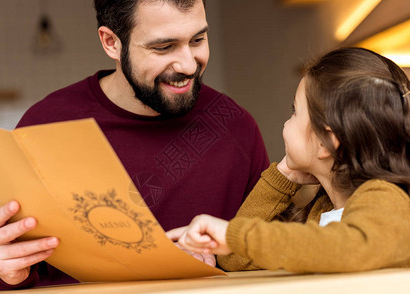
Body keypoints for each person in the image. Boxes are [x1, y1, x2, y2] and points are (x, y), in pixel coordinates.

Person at [0, 0, 270, 293]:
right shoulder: (46, 123)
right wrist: (1, 271)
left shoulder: (235, 127)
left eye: (198, 40)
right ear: (111, 42)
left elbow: (271, 259)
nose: (188, 64)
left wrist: (220, 259)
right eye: (164, 46)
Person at [168, 47, 410, 273]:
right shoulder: (321, 210)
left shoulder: (386, 199)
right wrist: (281, 177)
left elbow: (346, 247)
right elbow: (235, 259)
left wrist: (235, 235)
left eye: (295, 112)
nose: (286, 123)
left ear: (327, 139)